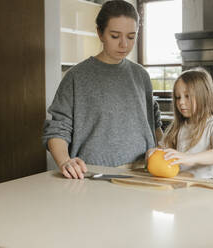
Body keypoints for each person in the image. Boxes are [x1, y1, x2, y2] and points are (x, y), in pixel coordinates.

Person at [43, 0, 162, 179]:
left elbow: (154, 125)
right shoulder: (76, 76)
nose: (124, 44)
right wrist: (64, 161)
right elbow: (58, 129)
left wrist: (162, 150)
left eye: (131, 36)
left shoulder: (141, 75)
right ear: (100, 33)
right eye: (115, 36)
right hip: (93, 175)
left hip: (141, 173)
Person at [147, 68, 213, 179]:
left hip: (209, 187)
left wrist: (188, 158)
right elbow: (162, 150)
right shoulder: (177, 127)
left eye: (187, 96)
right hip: (184, 185)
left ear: (204, 96)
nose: (181, 102)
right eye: (178, 97)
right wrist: (152, 153)